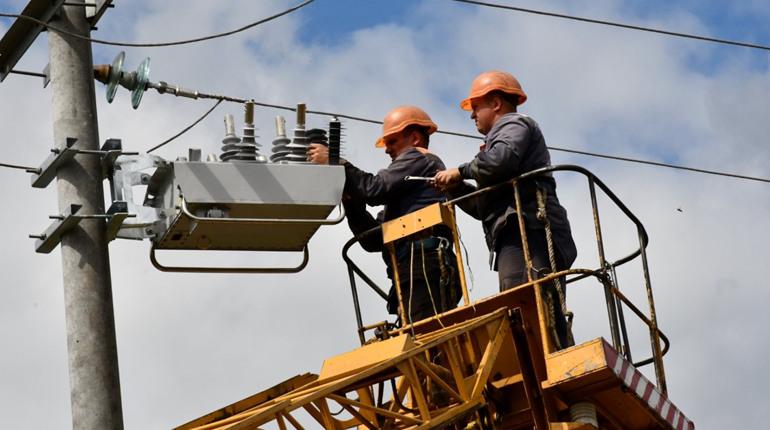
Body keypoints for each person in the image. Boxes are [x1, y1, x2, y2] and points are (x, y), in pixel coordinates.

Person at [434, 71, 577, 348]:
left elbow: (501, 161)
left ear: (496, 103)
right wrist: (454, 188)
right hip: (518, 227)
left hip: (531, 227)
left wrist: (461, 171)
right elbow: (483, 206)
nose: (472, 115)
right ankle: (544, 357)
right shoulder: (498, 142)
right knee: (526, 307)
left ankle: (545, 359)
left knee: (525, 305)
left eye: (476, 107)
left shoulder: (514, 124)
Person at [308, 106, 461, 325]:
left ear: (415, 138)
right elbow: (372, 240)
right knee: (419, 338)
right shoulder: (405, 202)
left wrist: (336, 161)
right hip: (410, 270)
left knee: (426, 339)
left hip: (425, 265)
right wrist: (352, 202)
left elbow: (374, 188)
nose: (387, 150)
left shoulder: (420, 158)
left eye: (392, 142)